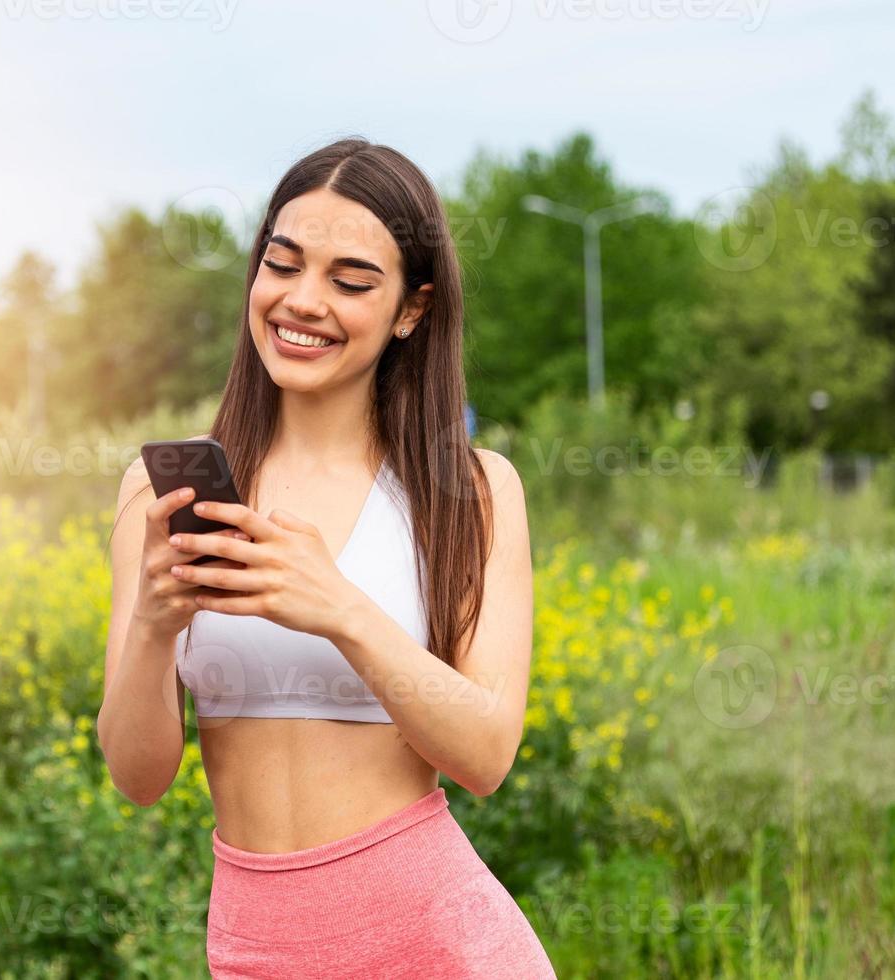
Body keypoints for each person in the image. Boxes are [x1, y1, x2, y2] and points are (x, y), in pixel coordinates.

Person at [98, 137, 556, 978]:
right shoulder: (157, 492)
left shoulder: (472, 490)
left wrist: (339, 606)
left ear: (411, 311)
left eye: (350, 282)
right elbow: (137, 776)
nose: (303, 302)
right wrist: (156, 626)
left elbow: (486, 754)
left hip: (436, 942)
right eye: (282, 266)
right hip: (252, 946)